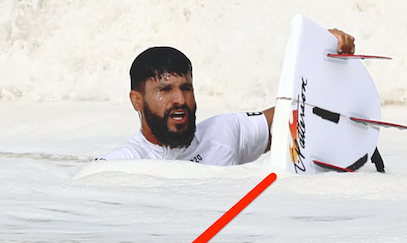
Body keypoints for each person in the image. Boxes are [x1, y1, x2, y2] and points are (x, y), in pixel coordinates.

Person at [97, 32, 355, 164]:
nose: (179, 99)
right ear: (137, 100)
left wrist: (327, 59)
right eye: (165, 90)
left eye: (186, 88)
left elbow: (297, 114)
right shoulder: (126, 163)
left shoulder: (223, 133)